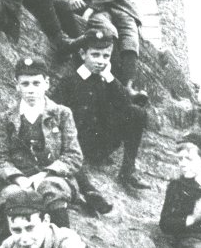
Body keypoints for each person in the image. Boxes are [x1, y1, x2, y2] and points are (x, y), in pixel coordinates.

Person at [52, 27, 149, 193]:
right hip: (79, 144)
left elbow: (126, 106)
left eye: (106, 56)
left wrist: (110, 78)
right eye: (95, 55)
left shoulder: (108, 81)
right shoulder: (69, 82)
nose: (101, 61)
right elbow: (54, 113)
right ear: (83, 55)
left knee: (137, 112)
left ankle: (128, 171)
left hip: (103, 143)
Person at [0, 56, 84, 229]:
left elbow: (73, 155)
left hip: (53, 176)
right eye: (25, 84)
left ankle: (63, 243)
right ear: (16, 85)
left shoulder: (61, 114)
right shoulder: (7, 118)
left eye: (36, 83)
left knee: (51, 189)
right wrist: (19, 178)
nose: (31, 90)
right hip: (19, 179)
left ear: (46, 83)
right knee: (11, 196)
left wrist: (44, 175)